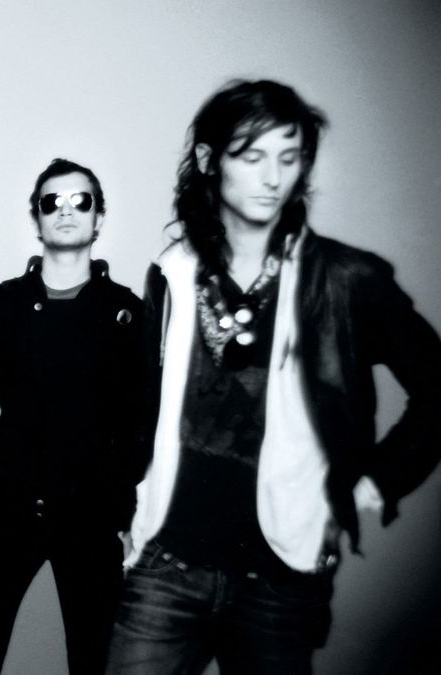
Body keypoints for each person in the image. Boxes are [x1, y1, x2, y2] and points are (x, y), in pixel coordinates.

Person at [106, 79, 441, 674]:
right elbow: (141, 409)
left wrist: (372, 484)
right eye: (252, 156)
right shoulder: (172, 273)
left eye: (289, 158)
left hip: (279, 578)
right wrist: (126, 507)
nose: (272, 177)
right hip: (166, 563)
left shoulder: (344, 279)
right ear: (209, 160)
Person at [0, 158, 144, 675]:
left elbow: (139, 423)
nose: (66, 211)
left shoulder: (128, 313)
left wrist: (127, 514)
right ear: (35, 217)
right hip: (5, 504)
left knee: (94, 658)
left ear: (99, 217)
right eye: (51, 201)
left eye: (81, 201)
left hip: (92, 512)